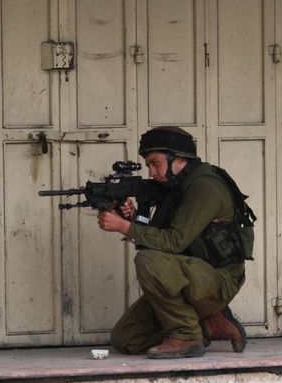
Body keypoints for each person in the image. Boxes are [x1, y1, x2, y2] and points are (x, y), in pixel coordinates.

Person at [97, 126, 250, 359]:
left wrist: (123, 227)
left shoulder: (204, 187)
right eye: (148, 165)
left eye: (155, 163)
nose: (151, 172)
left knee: (148, 261)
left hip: (219, 279)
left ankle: (187, 335)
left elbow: (173, 242)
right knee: (126, 337)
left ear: (176, 158)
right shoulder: (176, 186)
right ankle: (210, 325)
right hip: (189, 274)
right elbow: (159, 238)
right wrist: (132, 216)